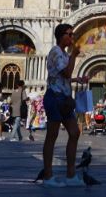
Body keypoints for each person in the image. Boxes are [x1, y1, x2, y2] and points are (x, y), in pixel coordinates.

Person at [41, 23, 87, 187]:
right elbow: (66, 72)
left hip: (65, 99)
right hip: (54, 97)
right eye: (69, 34)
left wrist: (78, 80)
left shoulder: (64, 55)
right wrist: (74, 55)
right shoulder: (56, 52)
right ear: (61, 36)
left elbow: (65, 77)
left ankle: (71, 175)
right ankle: (48, 176)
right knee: (51, 137)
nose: (72, 37)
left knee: (74, 133)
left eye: (72, 34)